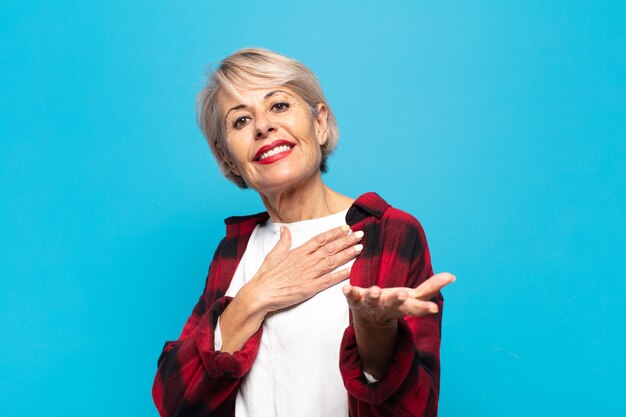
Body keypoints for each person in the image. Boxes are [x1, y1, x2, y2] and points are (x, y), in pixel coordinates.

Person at [152, 47, 455, 417]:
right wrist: (254, 298)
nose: (263, 126)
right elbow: (176, 402)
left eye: (278, 105)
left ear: (320, 122)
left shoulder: (387, 233)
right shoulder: (233, 251)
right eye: (241, 121)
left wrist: (376, 331)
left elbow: (416, 410)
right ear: (228, 157)